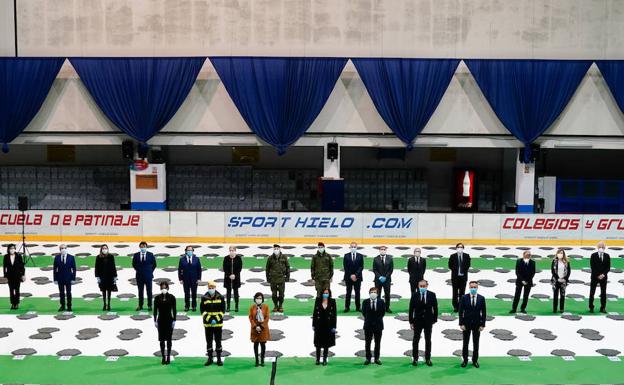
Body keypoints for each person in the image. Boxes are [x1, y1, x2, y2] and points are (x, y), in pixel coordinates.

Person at [408, 280, 438, 366]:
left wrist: (434, 319)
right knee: (416, 340)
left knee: (428, 340)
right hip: (417, 321)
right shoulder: (415, 295)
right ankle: (415, 358)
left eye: (424, 286)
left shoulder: (432, 295)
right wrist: (411, 321)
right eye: (420, 286)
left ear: (427, 286)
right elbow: (411, 309)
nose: (422, 287)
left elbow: (435, 308)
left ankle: (428, 358)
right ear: (418, 286)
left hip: (428, 321)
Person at [458, 281, 486, 368]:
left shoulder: (481, 298)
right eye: (472, 287)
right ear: (469, 288)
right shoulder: (464, 297)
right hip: (466, 324)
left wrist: (482, 325)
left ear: (477, 288)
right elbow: (460, 311)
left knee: (476, 343)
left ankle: (475, 360)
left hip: (477, 324)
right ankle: (465, 360)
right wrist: (461, 323)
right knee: (465, 343)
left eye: (475, 287)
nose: (473, 288)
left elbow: (484, 312)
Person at [200, 281, 226, 366]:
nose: (211, 289)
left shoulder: (221, 297)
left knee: (218, 341)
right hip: (208, 324)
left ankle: (218, 358)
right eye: (209, 288)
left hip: (218, 324)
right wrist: (210, 320)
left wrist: (217, 319)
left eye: (212, 288)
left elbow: (223, 310)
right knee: (209, 341)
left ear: (215, 288)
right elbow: (202, 311)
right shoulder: (204, 298)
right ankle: (210, 358)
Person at [153, 281, 176, 365]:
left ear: (168, 288)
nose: (164, 289)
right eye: (162, 288)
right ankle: (163, 356)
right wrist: (155, 320)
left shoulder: (172, 297)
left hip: (169, 320)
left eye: (165, 287)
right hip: (161, 320)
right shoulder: (157, 298)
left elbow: (174, 310)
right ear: (160, 288)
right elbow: (155, 310)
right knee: (162, 340)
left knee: (169, 340)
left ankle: (168, 356)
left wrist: (174, 320)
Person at [312, 288, 337, 366]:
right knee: (318, 344)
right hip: (319, 325)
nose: (325, 294)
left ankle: (325, 359)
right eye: (324, 293)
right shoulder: (318, 300)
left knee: (326, 344)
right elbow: (315, 313)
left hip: (328, 325)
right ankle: (317, 359)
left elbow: (334, 315)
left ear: (329, 294)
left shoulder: (332, 301)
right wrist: (313, 324)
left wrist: (334, 326)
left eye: (327, 293)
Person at [361, 287, 385, 365]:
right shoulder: (365, 302)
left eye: (375, 292)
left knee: (377, 343)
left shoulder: (381, 302)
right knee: (367, 343)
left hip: (378, 325)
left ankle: (377, 358)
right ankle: (368, 358)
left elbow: (382, 313)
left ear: (377, 294)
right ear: (369, 293)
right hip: (368, 325)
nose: (373, 293)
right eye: (371, 292)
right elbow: (364, 313)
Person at [132, 241, 157, 311]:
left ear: (146, 247)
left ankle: (149, 305)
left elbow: (154, 265)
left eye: (144, 247)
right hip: (139, 276)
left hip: (148, 276)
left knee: (149, 291)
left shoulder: (150, 255)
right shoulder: (136, 255)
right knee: (140, 291)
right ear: (140, 247)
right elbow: (133, 264)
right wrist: (139, 270)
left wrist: (150, 271)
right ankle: (140, 305)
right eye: (142, 247)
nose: (143, 248)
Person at [266, 244, 290, 313]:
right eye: (275, 249)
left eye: (277, 249)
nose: (276, 250)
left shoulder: (284, 257)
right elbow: (267, 269)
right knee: (274, 294)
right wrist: (268, 278)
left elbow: (288, 267)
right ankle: (275, 306)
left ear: (280, 249)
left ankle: (280, 306)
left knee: (281, 294)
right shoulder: (270, 258)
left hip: (281, 279)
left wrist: (287, 277)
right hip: (273, 279)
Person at [249, 292, 270, 367]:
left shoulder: (266, 307)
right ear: (255, 299)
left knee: (263, 344)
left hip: (263, 329)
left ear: (262, 299)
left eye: (260, 298)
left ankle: (262, 360)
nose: (259, 300)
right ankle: (257, 360)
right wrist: (255, 326)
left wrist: (261, 326)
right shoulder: (252, 307)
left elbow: (267, 317)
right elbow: (250, 318)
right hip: (255, 329)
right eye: (257, 298)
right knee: (255, 344)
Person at [178, 245, 202, 312]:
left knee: (194, 293)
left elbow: (199, 269)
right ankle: (187, 306)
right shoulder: (182, 259)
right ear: (186, 251)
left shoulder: (196, 259)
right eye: (188, 250)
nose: (189, 251)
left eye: (191, 250)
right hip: (185, 279)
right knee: (186, 293)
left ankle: (194, 306)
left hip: (194, 279)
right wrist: (180, 279)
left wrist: (199, 278)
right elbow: (180, 270)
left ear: (193, 251)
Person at [53, 244, 76, 312]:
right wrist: (55, 279)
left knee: (68, 293)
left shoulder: (71, 257)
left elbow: (74, 269)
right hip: (60, 278)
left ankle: (69, 306)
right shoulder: (57, 257)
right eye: (62, 248)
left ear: (67, 249)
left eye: (64, 248)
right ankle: (62, 306)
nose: (63, 249)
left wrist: (73, 278)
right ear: (60, 249)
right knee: (61, 293)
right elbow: (55, 269)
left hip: (68, 278)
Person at [448, 242, 471, 312]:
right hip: (455, 277)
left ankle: (461, 305)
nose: (459, 248)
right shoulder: (452, 256)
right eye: (458, 247)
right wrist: (456, 270)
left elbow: (468, 265)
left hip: (463, 277)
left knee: (462, 292)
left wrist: (462, 270)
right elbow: (450, 265)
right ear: (456, 248)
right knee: (455, 292)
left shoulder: (467, 256)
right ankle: (455, 306)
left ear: (463, 248)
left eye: (461, 247)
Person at [94, 244, 117, 311]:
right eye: (103, 248)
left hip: (110, 277)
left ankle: (109, 304)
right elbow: (96, 267)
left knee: (109, 291)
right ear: (101, 249)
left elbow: (113, 267)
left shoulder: (111, 256)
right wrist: (97, 276)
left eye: (106, 248)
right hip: (102, 277)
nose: (104, 249)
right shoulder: (98, 257)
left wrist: (115, 276)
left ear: (107, 249)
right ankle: (104, 304)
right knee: (103, 291)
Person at [589, 241, 610, 313]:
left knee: (603, 293)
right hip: (594, 276)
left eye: (603, 247)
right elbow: (592, 266)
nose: (601, 248)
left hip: (603, 277)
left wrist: (603, 275)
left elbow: (608, 267)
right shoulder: (593, 255)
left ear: (604, 248)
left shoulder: (607, 256)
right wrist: (598, 275)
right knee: (592, 292)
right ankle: (591, 307)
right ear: (597, 247)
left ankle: (603, 307)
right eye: (600, 247)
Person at [343, 241, 364, 313]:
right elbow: (345, 267)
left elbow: (361, 267)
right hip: (348, 277)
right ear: (350, 247)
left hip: (357, 278)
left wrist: (355, 275)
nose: (353, 248)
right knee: (348, 292)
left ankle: (358, 307)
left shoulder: (360, 256)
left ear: (356, 248)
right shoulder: (346, 256)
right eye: (352, 247)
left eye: (354, 247)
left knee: (357, 293)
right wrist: (351, 275)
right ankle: (347, 307)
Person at [3, 244, 25, 310]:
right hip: (10, 276)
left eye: (13, 248)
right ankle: (13, 303)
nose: (12, 249)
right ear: (8, 249)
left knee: (17, 290)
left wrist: (23, 274)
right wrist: (5, 275)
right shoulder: (6, 256)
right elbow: (4, 267)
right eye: (11, 248)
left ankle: (17, 303)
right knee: (11, 290)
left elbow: (22, 266)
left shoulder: (18, 256)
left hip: (18, 276)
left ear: (15, 249)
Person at [372, 246, 394, 313]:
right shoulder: (376, 259)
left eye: (384, 249)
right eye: (381, 249)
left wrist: (385, 277)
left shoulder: (390, 258)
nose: (383, 250)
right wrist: (380, 277)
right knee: (378, 294)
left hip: (387, 280)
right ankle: (378, 307)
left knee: (387, 294)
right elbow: (374, 270)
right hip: (378, 280)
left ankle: (387, 307)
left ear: (386, 250)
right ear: (379, 250)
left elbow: (391, 270)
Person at [223, 246, 243, 312]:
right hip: (228, 279)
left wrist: (235, 275)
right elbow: (224, 268)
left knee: (236, 293)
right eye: (230, 250)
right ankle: (228, 306)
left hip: (236, 279)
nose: (231, 251)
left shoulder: (238, 258)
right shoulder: (226, 258)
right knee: (228, 293)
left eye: (232, 250)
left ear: (235, 251)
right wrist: (229, 275)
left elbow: (240, 268)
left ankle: (236, 306)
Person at [551, 248, 571, 313]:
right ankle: (555, 308)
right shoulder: (554, 261)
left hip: (563, 281)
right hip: (556, 280)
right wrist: (557, 278)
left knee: (562, 295)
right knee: (555, 295)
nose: (560, 254)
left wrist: (565, 279)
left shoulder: (567, 262)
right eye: (559, 253)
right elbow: (553, 271)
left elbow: (569, 271)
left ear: (563, 254)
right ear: (557, 254)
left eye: (562, 253)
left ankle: (561, 308)